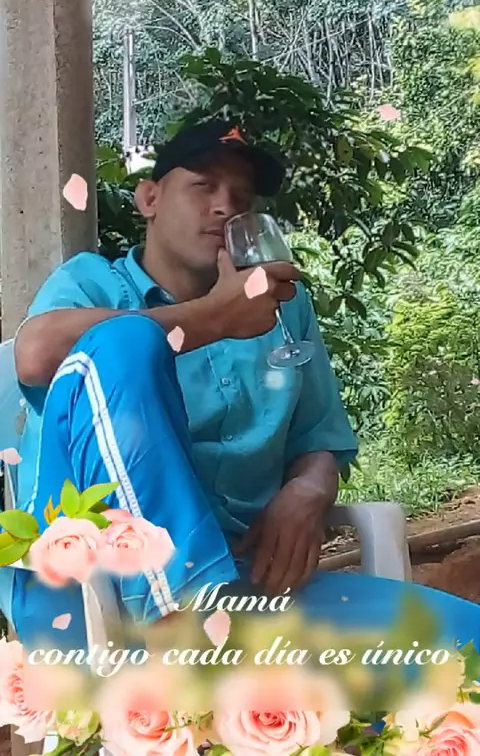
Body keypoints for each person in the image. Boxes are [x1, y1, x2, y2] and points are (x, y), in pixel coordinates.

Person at [4, 118, 480, 654]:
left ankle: (206, 626)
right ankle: (178, 620)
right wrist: (215, 317)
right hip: (87, 600)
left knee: (467, 645)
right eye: (203, 185)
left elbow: (317, 438)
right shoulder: (91, 283)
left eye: (242, 197)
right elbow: (35, 354)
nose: (224, 206)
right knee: (124, 341)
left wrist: (309, 490)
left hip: (250, 592)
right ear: (149, 198)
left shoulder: (281, 309)